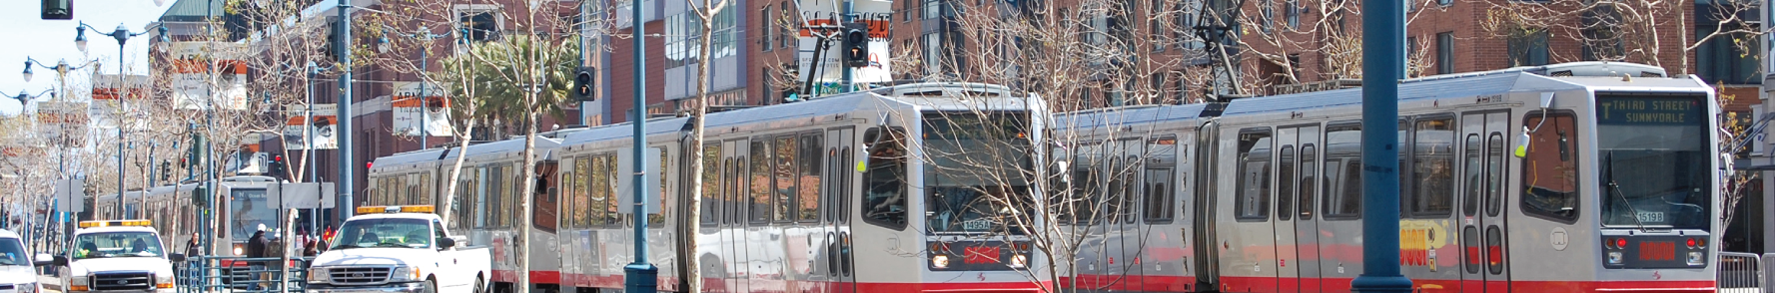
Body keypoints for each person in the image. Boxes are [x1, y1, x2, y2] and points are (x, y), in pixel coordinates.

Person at [246, 224, 268, 290]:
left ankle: (249, 291)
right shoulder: (264, 240)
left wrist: (249, 262)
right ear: (264, 231)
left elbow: (249, 252)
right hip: (261, 263)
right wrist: (266, 262)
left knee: (254, 279)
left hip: (252, 263)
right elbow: (266, 253)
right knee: (263, 280)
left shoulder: (251, 239)